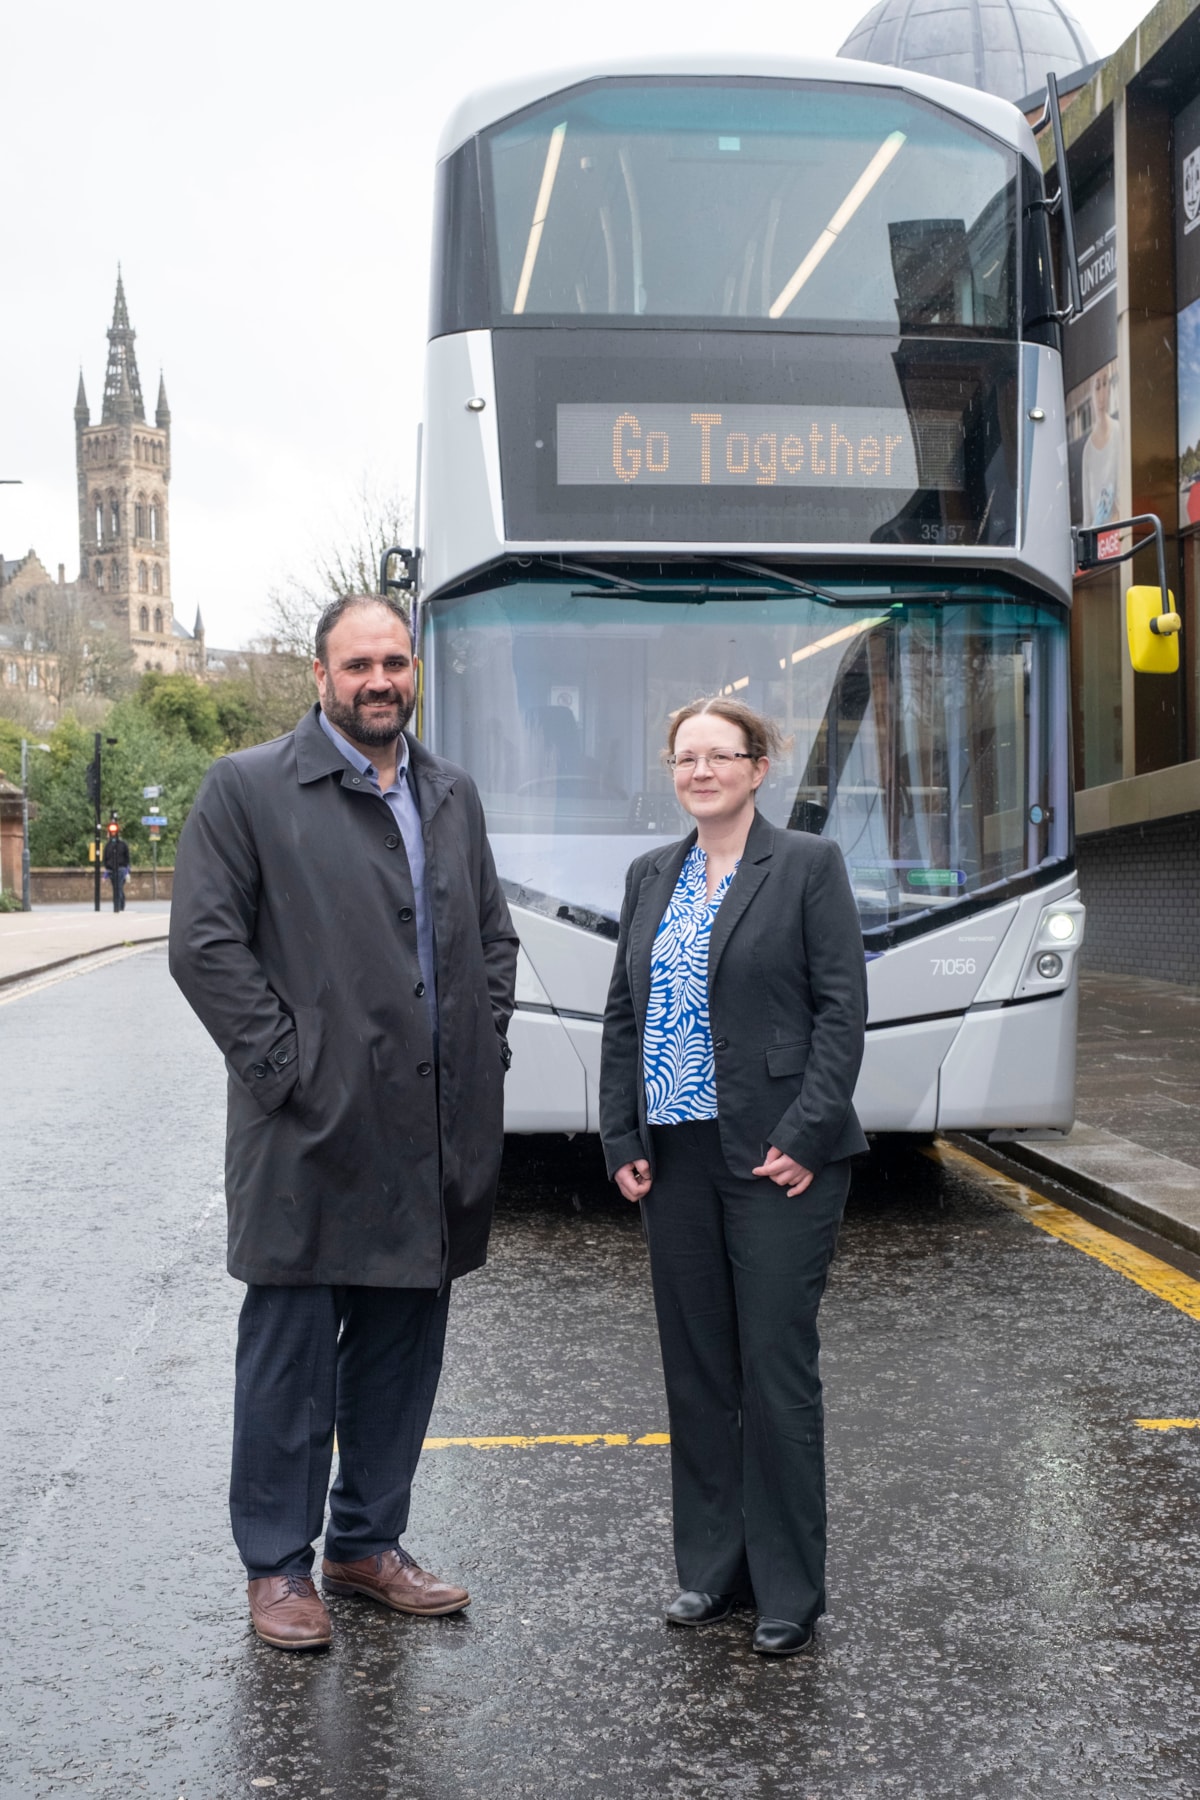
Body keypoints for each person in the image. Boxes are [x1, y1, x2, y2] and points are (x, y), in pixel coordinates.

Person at [170, 593, 518, 1652]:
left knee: (400, 1354)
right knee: (290, 1360)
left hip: (433, 1128)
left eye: (394, 662)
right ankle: (277, 1566)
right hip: (309, 1132)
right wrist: (291, 1071)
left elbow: (491, 938)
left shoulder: (449, 792)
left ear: (415, 672)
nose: (379, 681)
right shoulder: (246, 787)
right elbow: (205, 947)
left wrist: (482, 1042)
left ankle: (367, 1546)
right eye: (358, 664)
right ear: (319, 676)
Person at [600, 697, 867, 1657]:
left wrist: (807, 1133)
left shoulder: (806, 866)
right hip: (673, 1158)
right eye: (686, 758)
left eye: (720, 756)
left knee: (774, 1370)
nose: (701, 772)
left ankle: (790, 1590)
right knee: (699, 1370)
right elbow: (624, 1014)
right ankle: (713, 1571)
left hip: (776, 1158)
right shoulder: (650, 875)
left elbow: (842, 1011)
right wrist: (620, 1134)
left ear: (759, 767)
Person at [102, 828, 130, 912]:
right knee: (116, 888)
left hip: (121, 869)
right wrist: (106, 873)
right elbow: (105, 858)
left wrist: (127, 871)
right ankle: (118, 905)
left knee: (118, 887)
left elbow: (127, 858)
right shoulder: (108, 845)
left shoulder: (122, 845)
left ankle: (119, 905)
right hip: (111, 870)